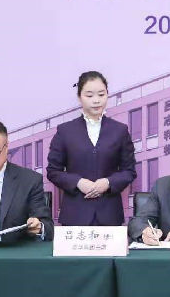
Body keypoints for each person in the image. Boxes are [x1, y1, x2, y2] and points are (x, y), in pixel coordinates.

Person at [47, 71, 137, 225]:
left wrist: (108, 183)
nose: (96, 100)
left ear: (107, 94)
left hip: (109, 214)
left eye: (101, 95)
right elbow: (53, 171)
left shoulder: (120, 130)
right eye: (89, 95)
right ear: (79, 97)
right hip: (75, 215)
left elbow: (129, 171)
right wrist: (78, 182)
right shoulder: (65, 131)